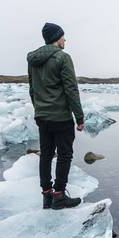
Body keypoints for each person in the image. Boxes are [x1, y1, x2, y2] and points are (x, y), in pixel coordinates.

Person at [27, 22, 84, 210]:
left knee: (46, 155)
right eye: (62, 36)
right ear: (56, 38)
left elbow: (32, 89)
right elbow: (71, 89)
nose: (65, 39)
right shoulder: (63, 57)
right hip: (61, 117)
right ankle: (59, 196)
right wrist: (80, 117)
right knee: (65, 155)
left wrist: (39, 109)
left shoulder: (33, 60)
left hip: (42, 117)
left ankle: (46, 195)